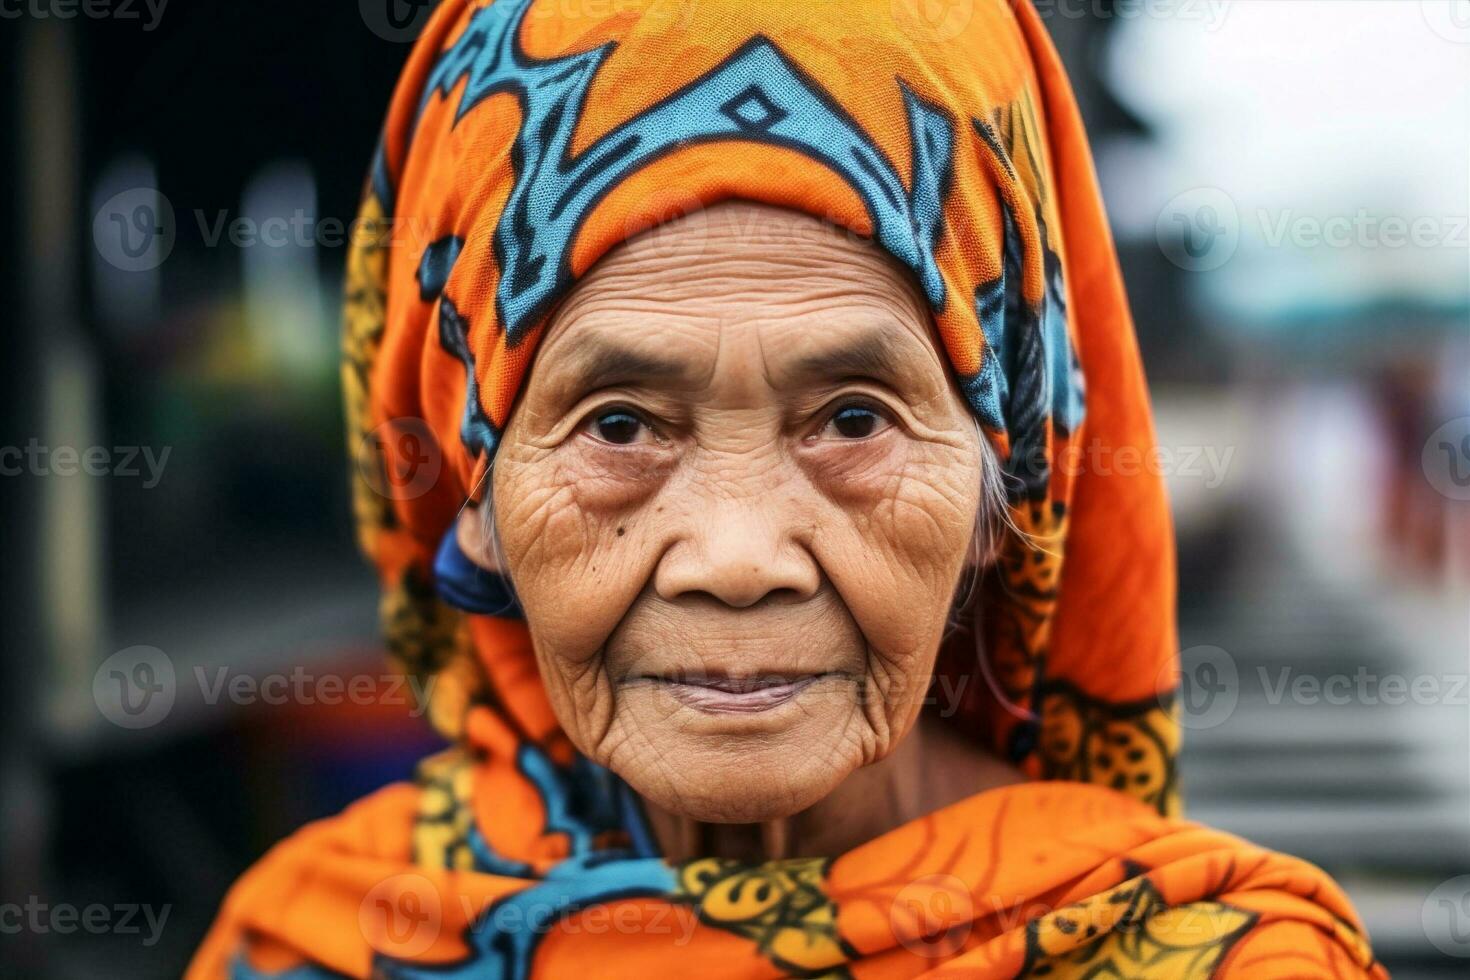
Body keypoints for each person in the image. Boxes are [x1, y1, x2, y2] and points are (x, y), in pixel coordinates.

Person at [190, 0, 1382, 975]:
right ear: (475, 497)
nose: (739, 553)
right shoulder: (318, 946)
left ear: (1008, 483)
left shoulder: (1214, 958)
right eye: (619, 425)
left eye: (853, 419)